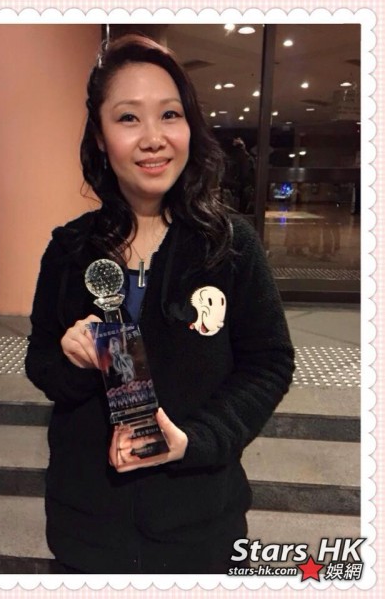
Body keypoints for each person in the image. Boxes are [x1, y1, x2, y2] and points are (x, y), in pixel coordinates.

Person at [25, 34, 295, 575]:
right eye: (128, 118)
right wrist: (73, 359)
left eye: (170, 114)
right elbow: (42, 364)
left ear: (189, 126)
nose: (153, 139)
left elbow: (268, 363)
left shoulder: (231, 246)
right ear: (100, 136)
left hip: (199, 526)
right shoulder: (69, 249)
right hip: (88, 527)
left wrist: (197, 440)